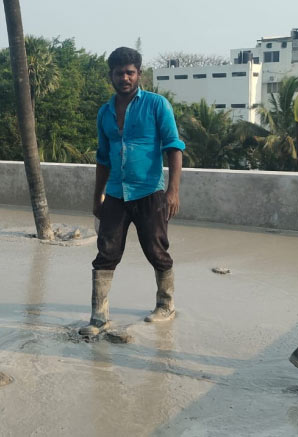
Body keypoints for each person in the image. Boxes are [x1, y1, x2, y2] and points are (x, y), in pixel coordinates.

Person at [79, 47, 185, 336]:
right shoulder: (105, 112)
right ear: (111, 76)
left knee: (156, 249)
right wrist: (97, 196)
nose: (124, 78)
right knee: (106, 252)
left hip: (150, 192)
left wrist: (173, 191)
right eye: (119, 73)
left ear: (139, 74)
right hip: (116, 193)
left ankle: (165, 304)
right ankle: (98, 317)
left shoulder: (156, 104)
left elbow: (174, 147)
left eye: (130, 73)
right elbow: (103, 158)